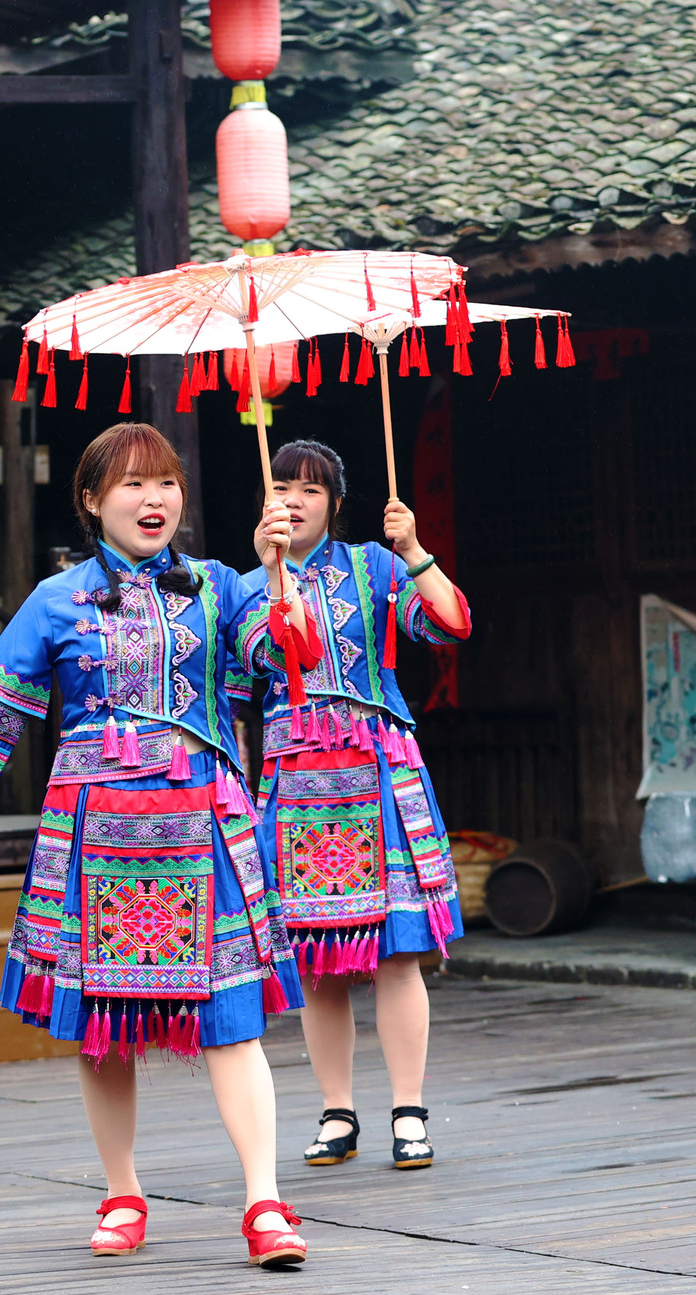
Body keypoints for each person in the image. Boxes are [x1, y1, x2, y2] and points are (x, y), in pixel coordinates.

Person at [0, 423, 317, 1266]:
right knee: (104, 1026)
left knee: (231, 1021)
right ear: (90, 500)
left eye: (166, 484)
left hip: (203, 825)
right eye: (132, 486)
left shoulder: (223, 586)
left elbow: (276, 657)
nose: (154, 500)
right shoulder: (56, 599)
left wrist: (275, 572)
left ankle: (263, 1201)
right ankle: (123, 1190)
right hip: (95, 830)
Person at [240, 440, 471, 1172]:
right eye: (282, 486)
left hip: (376, 765)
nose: (296, 499)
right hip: (298, 777)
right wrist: (275, 575)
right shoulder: (245, 586)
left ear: (336, 502)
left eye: (313, 488)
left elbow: (451, 623)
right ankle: (338, 1110)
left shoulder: (373, 565)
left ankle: (409, 1110)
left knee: (399, 951)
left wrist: (415, 547)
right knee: (315, 964)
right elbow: (286, 655)